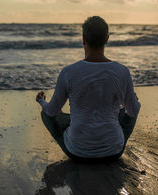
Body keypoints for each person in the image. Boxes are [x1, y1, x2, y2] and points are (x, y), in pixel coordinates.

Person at [36, 16, 141, 162]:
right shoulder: (122, 71)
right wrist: (131, 100)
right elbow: (133, 111)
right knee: (131, 107)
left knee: (46, 113)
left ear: (83, 38)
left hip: (77, 153)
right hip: (113, 152)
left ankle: (76, 135)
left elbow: (51, 111)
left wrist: (41, 101)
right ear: (107, 39)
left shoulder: (68, 72)